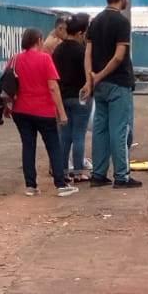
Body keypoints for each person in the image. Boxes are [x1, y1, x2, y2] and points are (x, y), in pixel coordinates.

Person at [85, 0, 142, 189]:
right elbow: (119, 57)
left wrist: (90, 78)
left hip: (100, 87)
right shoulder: (121, 22)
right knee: (120, 130)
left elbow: (88, 53)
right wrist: (98, 76)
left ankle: (98, 174)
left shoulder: (95, 21)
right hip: (118, 83)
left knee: (100, 130)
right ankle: (121, 176)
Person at [12, 27, 76, 197]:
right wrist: (61, 113)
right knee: (54, 146)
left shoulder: (15, 59)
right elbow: (53, 87)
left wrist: (6, 107)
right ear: (39, 40)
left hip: (21, 110)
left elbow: (9, 85)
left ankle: (30, 185)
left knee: (28, 146)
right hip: (44, 111)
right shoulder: (45, 59)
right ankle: (61, 184)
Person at [53, 12, 93, 183]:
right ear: (80, 33)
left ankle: (62, 171)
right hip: (80, 97)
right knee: (78, 135)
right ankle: (78, 172)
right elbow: (88, 74)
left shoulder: (57, 50)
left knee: (65, 136)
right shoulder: (82, 51)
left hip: (63, 97)